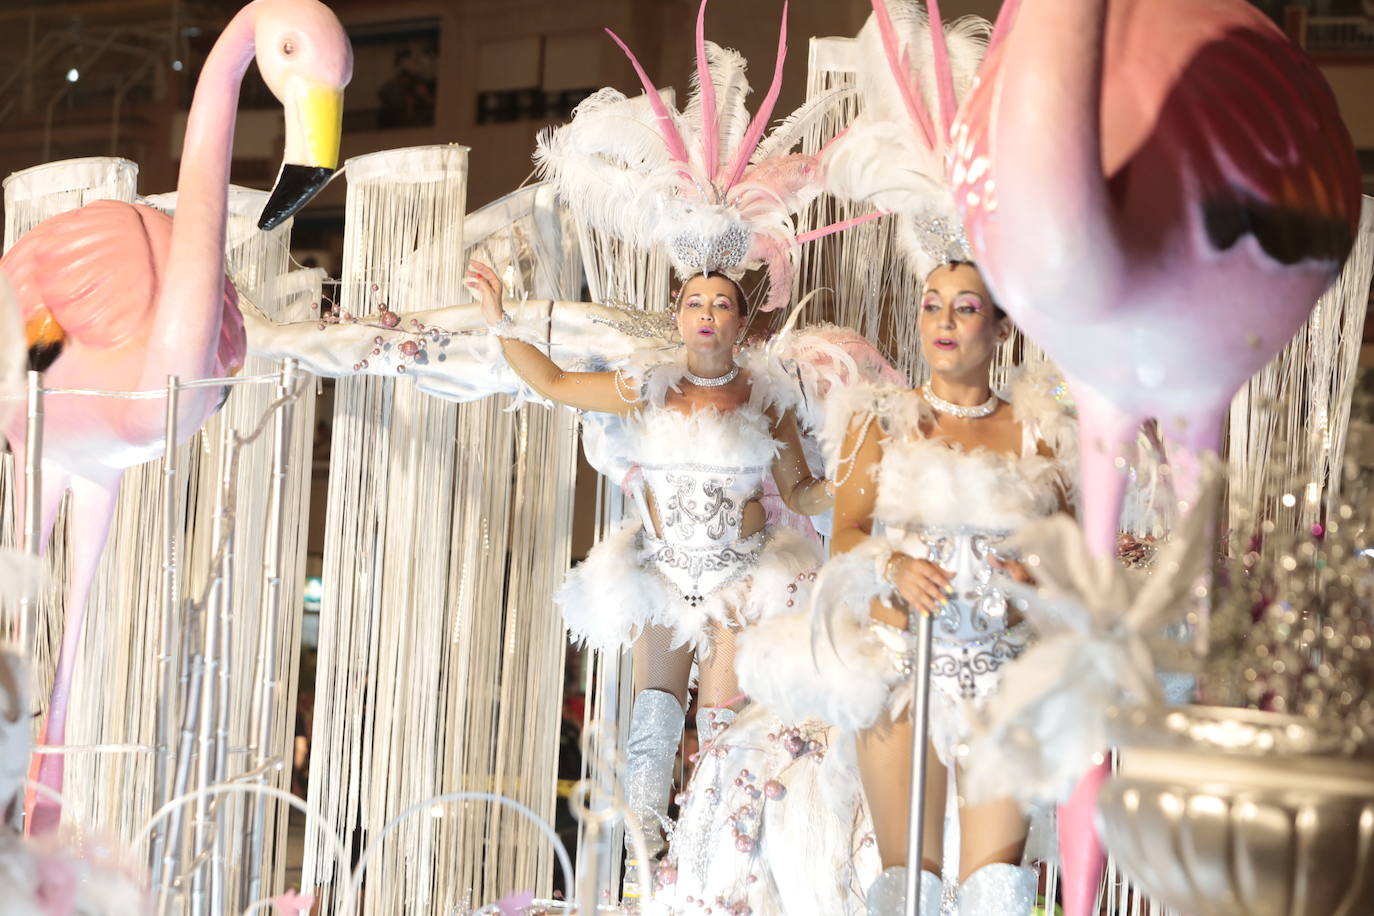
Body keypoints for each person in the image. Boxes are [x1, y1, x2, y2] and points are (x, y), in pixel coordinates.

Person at [465, 258, 832, 870]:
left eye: (721, 303)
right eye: (695, 302)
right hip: (664, 580)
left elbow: (798, 493)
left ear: (741, 321)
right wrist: (497, 318)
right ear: (678, 314)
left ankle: (720, 871)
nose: (707, 313)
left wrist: (848, 479)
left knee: (724, 733)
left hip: (738, 583)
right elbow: (554, 382)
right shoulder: (646, 387)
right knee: (652, 724)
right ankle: (642, 867)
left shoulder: (767, 399)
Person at [797, 260, 1076, 915]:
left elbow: (1071, 551)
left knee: (997, 890)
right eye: (931, 305)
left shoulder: (1040, 433)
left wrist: (1037, 572)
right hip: (902, 673)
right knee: (907, 886)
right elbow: (845, 534)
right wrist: (893, 566)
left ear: (1003, 326)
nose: (943, 321)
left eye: (966, 307)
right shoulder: (880, 422)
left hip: (1004, 678)